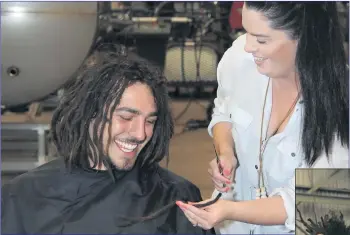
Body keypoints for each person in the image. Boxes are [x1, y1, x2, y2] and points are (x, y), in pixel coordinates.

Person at [176, 2, 349, 234]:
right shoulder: (240, 60)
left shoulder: (339, 100)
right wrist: (226, 151)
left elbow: (315, 200)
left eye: (261, 39)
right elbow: (223, 112)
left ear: (305, 39)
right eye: (246, 32)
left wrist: (230, 211)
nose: (248, 46)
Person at [1, 48, 215, 234]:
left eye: (149, 121)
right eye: (126, 117)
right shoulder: (20, 198)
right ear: (89, 113)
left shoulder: (175, 197)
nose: (140, 134)